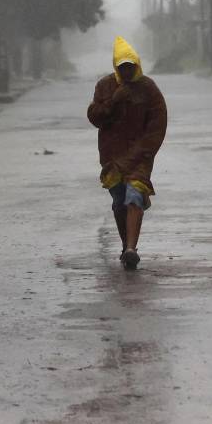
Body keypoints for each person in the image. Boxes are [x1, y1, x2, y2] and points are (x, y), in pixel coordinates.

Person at [86, 36, 167, 270]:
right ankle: (125, 246)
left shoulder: (148, 88)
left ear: (137, 65)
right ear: (116, 67)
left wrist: (145, 151)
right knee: (119, 202)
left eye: (130, 67)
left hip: (140, 157)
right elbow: (95, 118)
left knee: (134, 196)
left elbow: (157, 124)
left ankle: (132, 248)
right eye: (122, 67)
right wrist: (113, 101)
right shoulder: (105, 86)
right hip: (113, 157)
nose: (127, 71)